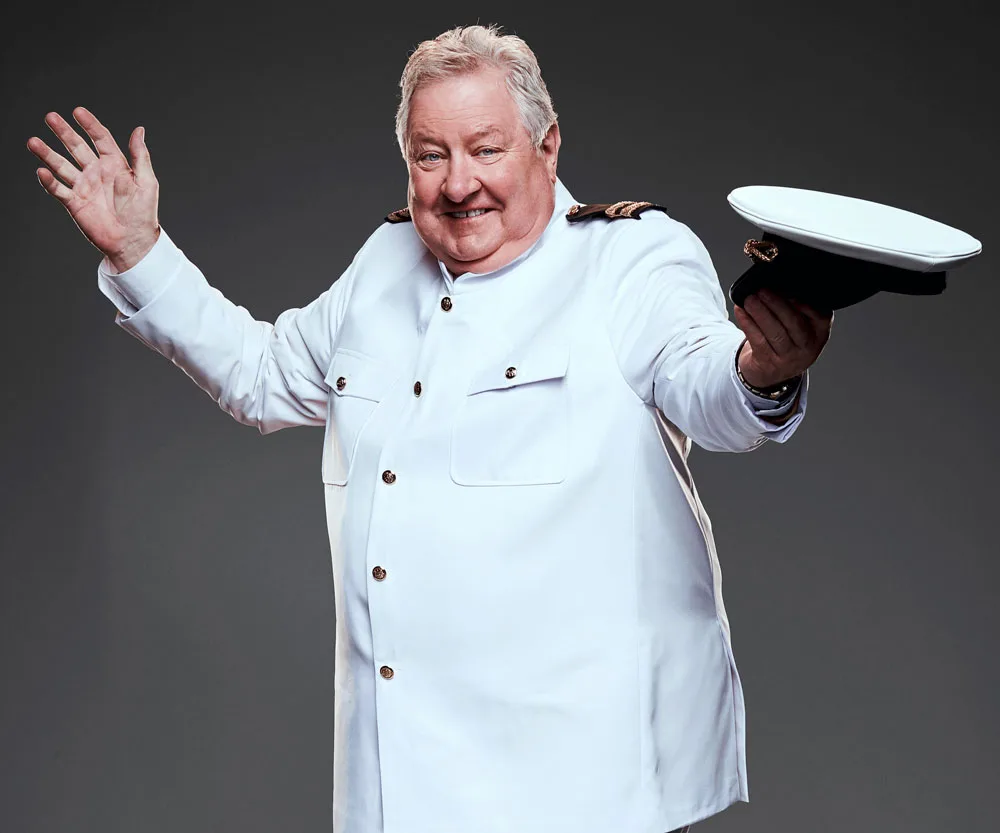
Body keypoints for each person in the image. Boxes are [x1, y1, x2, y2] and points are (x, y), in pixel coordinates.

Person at [27, 23, 833, 833]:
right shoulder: (384, 263)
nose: (458, 185)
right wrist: (141, 250)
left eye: (485, 149)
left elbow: (708, 384)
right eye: (430, 155)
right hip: (397, 782)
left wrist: (763, 370)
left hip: (578, 783)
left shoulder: (632, 260)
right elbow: (263, 376)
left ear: (546, 147)